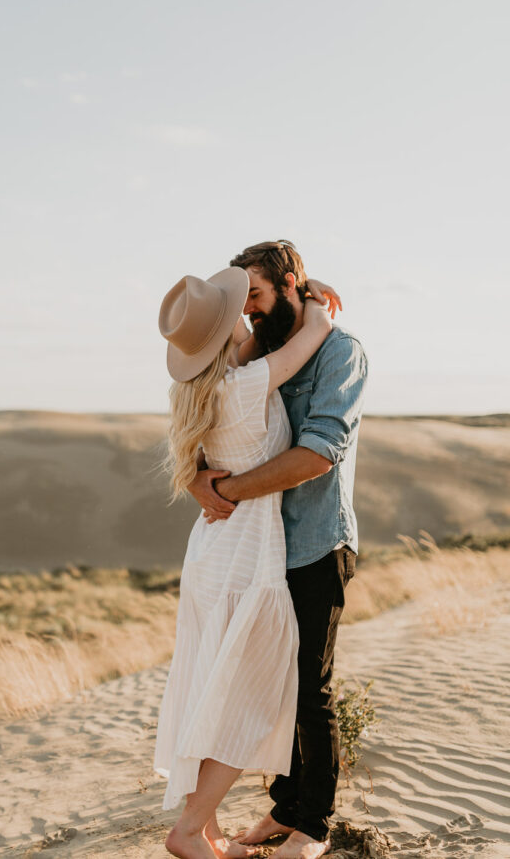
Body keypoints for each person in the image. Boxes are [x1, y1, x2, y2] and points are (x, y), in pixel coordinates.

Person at [189, 241, 368, 859]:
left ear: (290, 283)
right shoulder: (263, 351)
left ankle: (313, 826)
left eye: (257, 298)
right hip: (256, 552)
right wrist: (197, 478)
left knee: (309, 689)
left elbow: (318, 453)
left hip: (316, 545)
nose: (252, 314)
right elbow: (206, 425)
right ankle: (285, 808)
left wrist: (226, 490)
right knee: (271, 688)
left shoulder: (341, 354)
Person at [154, 263, 340, 859]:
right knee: (250, 698)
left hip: (211, 554)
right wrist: (314, 298)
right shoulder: (249, 382)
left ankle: (202, 826)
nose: (247, 315)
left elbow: (253, 341)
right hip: (248, 560)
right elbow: (312, 333)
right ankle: (189, 832)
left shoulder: (196, 390)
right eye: (239, 311)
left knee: (211, 689)